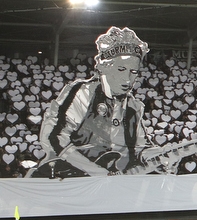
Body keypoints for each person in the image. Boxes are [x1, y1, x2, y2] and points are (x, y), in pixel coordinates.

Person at [29, 27, 152, 177]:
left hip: (110, 185)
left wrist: (166, 154)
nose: (127, 79)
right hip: (66, 178)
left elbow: (140, 149)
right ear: (104, 67)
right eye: (121, 69)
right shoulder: (83, 92)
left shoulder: (134, 106)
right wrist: (99, 172)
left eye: (134, 72)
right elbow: (54, 138)